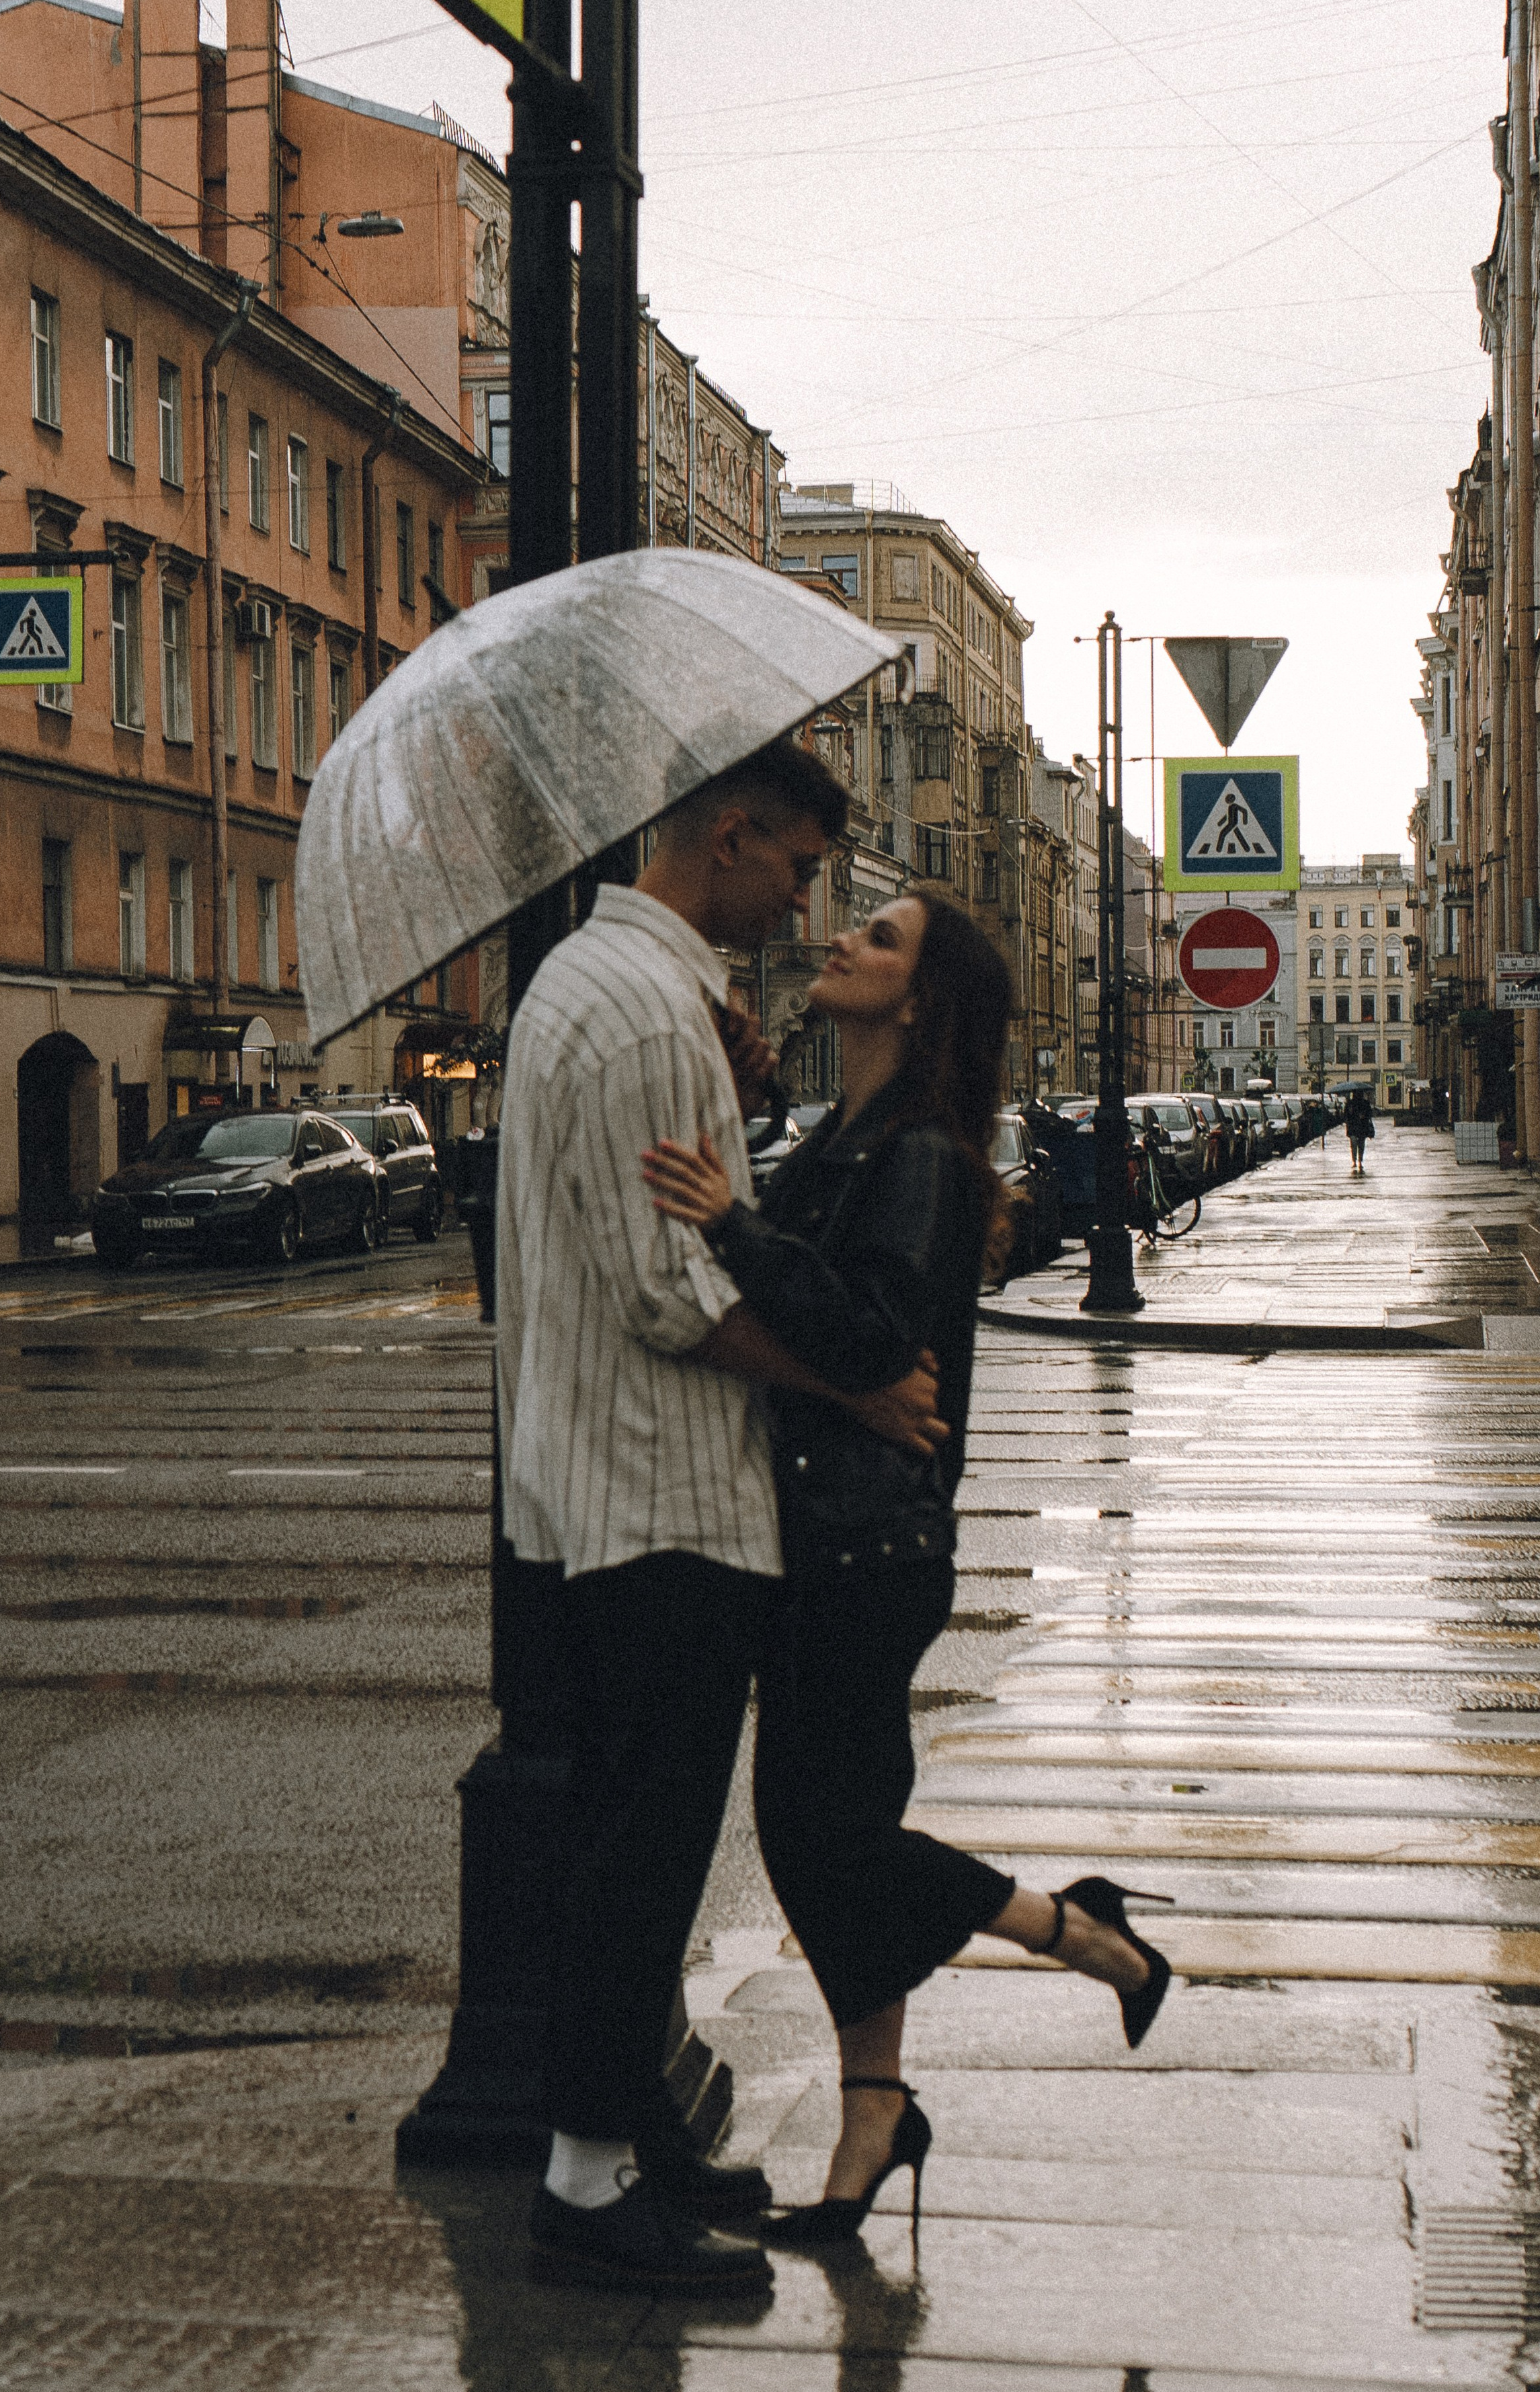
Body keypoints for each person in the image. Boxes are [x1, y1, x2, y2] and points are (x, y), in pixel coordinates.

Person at [643, 891, 1172, 2248]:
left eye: (876, 940)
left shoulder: (925, 1153)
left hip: (863, 1549)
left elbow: (872, 1329)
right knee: (836, 1836)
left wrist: (730, 1222)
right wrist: (751, 1128)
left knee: (822, 1844)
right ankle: (871, 2114)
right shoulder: (855, 1135)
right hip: (834, 1536)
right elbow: (825, 1269)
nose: (838, 941)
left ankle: (1079, 1931)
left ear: (918, 1002)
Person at [499, 740, 946, 2295]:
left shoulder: (623, 990)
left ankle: (626, 2135)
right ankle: (583, 2183)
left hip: (621, 1487)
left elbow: (673, 1234)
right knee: (640, 1849)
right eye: (803, 868)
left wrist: (742, 1105)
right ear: (733, 834)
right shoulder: (635, 1008)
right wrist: (854, 1393)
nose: (807, 898)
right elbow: (667, 1294)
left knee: (642, 1838)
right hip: (660, 1495)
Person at [1346, 1084, 1375, 1172]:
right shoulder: (1350, 1104)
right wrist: (1351, 1114)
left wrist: (1364, 1116)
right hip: (1354, 1127)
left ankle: (1360, 1161)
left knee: (1360, 1145)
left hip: (1362, 1127)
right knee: (1355, 1144)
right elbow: (1346, 1116)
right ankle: (1355, 1160)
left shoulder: (1365, 1103)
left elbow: (1370, 1114)